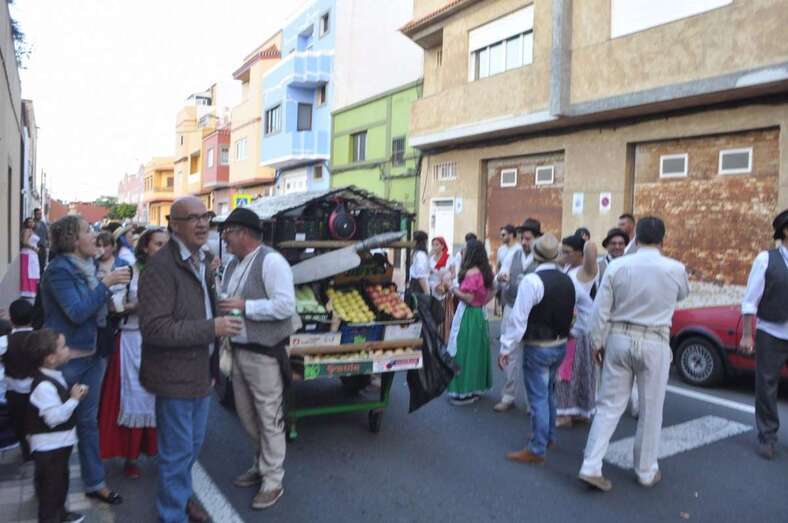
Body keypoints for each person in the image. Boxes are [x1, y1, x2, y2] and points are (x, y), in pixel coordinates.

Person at [139, 196, 243, 523]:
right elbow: (155, 329)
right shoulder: (160, 267)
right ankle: (172, 514)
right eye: (192, 218)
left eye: (206, 217)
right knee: (176, 454)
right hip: (174, 377)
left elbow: (201, 306)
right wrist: (211, 327)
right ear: (174, 225)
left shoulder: (202, 259)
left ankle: (181, 501)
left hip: (201, 373)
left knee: (191, 451)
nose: (202, 224)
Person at [579, 216, 689, 491]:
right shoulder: (675, 269)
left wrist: (596, 343)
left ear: (635, 239)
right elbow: (681, 296)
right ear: (663, 240)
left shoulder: (617, 266)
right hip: (655, 339)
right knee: (652, 410)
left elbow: (600, 310)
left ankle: (591, 465)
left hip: (618, 337)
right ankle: (646, 470)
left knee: (609, 406)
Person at [41, 215, 130, 506]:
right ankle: (54, 494)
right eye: (86, 231)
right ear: (72, 239)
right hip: (66, 359)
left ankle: (95, 483)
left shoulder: (89, 266)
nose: (94, 236)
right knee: (59, 426)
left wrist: (113, 296)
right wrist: (105, 284)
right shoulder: (58, 270)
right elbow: (77, 312)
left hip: (93, 355)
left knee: (88, 423)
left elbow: (97, 310)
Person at [218, 207, 300, 510]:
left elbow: (284, 307)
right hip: (237, 350)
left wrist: (244, 307)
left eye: (228, 233)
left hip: (264, 353)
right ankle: (261, 463)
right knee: (247, 415)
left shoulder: (272, 261)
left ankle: (273, 480)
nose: (224, 239)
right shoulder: (231, 264)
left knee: (269, 418)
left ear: (243, 233)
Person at [498, 233, 576, 464]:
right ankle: (548, 436)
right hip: (560, 343)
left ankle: (537, 447)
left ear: (536, 255)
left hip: (538, 345)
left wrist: (506, 348)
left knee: (539, 397)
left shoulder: (532, 281)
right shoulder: (566, 280)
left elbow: (518, 319)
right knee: (548, 393)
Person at [98, 227, 168, 478]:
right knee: (133, 398)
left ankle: (161, 453)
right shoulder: (129, 272)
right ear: (145, 247)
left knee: (161, 401)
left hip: (161, 344)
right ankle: (130, 457)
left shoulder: (172, 273)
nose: (163, 248)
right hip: (131, 340)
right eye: (158, 244)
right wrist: (134, 306)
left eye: (166, 244)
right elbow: (112, 307)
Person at [739, 208, 788, 460]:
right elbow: (750, 301)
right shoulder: (766, 260)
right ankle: (768, 436)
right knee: (767, 385)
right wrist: (747, 335)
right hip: (772, 330)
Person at [26, 328, 89, 523]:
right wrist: (73, 400)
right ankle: (50, 518)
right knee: (51, 490)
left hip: (58, 445)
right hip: (49, 447)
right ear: (51, 358)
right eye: (63, 346)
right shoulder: (43, 385)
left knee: (60, 484)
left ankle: (60, 515)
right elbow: (53, 418)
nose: (68, 349)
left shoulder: (52, 375)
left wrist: (71, 396)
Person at [494, 217, 542, 413]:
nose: (524, 242)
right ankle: (509, 395)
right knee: (510, 353)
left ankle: (532, 401)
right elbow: (501, 278)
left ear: (537, 239)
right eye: (522, 238)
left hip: (534, 312)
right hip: (512, 307)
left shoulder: (543, 258)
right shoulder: (513, 256)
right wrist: (502, 279)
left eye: (528, 239)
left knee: (532, 357)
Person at [555, 234, 598, 427]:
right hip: (570, 327)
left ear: (579, 254)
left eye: (567, 252)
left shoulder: (585, 270)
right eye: (561, 251)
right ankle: (577, 410)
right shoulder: (567, 268)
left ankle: (565, 413)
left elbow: (591, 249)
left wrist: (585, 241)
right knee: (575, 372)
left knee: (569, 372)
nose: (563, 255)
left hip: (579, 330)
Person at [446, 239, 494, 405]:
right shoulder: (485, 271)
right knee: (476, 352)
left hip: (467, 314)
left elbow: (468, 297)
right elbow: (491, 293)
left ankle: (463, 392)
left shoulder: (471, 273)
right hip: (479, 314)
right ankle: (474, 388)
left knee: (462, 352)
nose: (462, 252)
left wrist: (452, 287)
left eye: (465, 250)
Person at [2, 299, 35, 461]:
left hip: (14, 391)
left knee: (19, 422)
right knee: (37, 421)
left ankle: (26, 451)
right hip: (37, 388)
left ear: (11, 319)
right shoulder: (39, 337)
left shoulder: (5, 342)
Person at [94, 232, 131, 358]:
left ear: (113, 246)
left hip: (118, 311)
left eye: (106, 245)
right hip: (99, 312)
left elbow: (129, 286)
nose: (102, 249)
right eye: (99, 245)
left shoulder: (123, 263)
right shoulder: (92, 265)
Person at [429, 236, 455, 342]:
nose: (435, 247)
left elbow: (453, 274)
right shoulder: (430, 259)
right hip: (433, 290)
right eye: (433, 245)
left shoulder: (449, 259)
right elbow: (427, 274)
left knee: (445, 316)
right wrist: (434, 285)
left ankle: (445, 340)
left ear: (443, 246)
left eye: (437, 244)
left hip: (445, 290)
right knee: (434, 315)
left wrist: (444, 285)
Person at [20, 217, 41, 301]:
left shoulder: (33, 231)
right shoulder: (27, 231)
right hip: (28, 254)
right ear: (26, 223)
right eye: (29, 222)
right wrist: (34, 248)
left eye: (32, 222)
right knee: (28, 272)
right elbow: (24, 242)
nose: (31, 223)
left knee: (33, 271)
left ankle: (31, 291)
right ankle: (26, 291)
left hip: (33, 254)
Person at [409, 231, 431, 295]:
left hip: (415, 285)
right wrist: (427, 293)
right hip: (419, 287)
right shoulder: (421, 255)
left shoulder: (416, 253)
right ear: (424, 241)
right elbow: (421, 277)